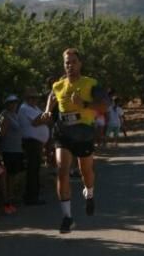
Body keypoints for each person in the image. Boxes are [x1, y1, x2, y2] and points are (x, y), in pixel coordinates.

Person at [42, 48, 107, 234]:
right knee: (62, 170)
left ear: (80, 64)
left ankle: (90, 193)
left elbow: (105, 105)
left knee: (85, 170)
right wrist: (48, 110)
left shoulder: (91, 84)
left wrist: (84, 105)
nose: (70, 65)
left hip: (84, 134)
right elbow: (52, 95)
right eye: (66, 62)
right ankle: (67, 218)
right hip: (63, 134)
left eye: (73, 62)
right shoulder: (58, 85)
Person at [18, 89, 50, 205]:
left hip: (36, 143)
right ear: (27, 98)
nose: (35, 100)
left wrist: (45, 118)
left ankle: (33, 195)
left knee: (35, 169)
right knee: (32, 169)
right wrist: (45, 118)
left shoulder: (34, 108)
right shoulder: (25, 108)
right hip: (31, 142)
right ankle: (31, 197)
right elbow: (37, 121)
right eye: (33, 97)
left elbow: (46, 119)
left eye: (36, 97)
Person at [0, 94, 24, 214]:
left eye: (15, 102)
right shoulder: (5, 115)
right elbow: (1, 133)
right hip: (8, 150)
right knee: (7, 175)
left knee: (13, 175)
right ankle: (6, 200)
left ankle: (11, 197)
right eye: (11, 102)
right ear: (7, 104)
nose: (14, 104)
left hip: (16, 149)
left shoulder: (16, 115)